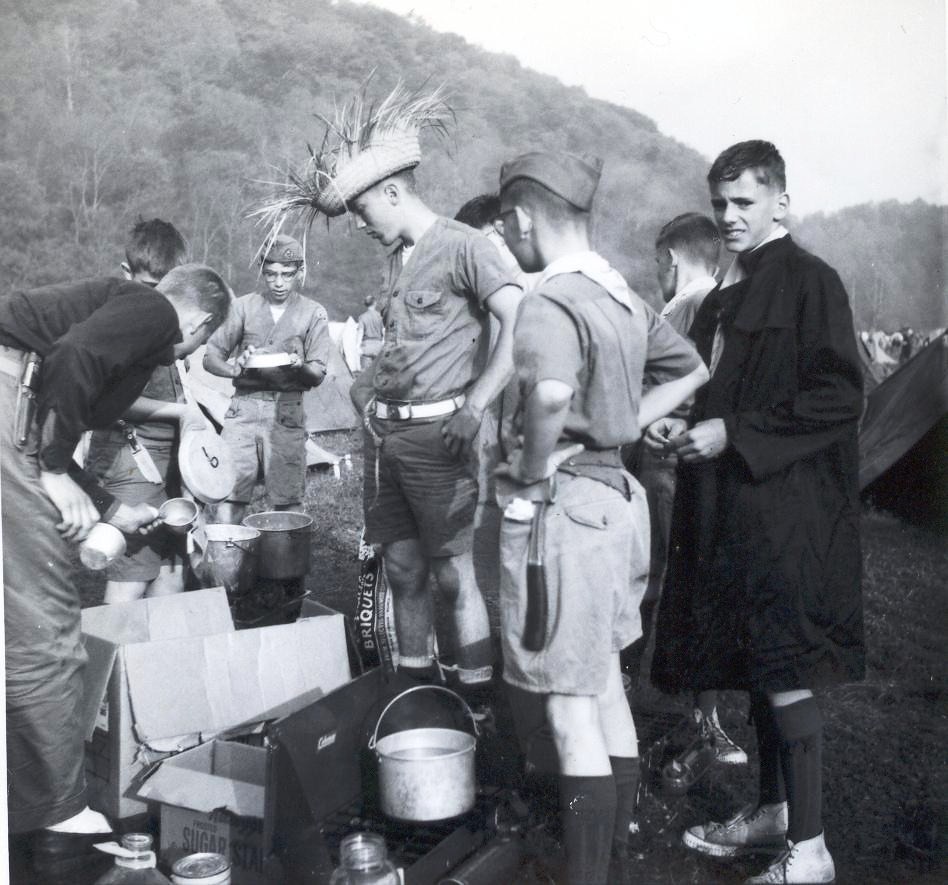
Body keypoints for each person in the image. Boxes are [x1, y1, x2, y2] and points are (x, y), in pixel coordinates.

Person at [254, 83, 524, 697]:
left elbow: (519, 320)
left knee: (452, 574)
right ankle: (417, 693)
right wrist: (362, 392)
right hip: (386, 441)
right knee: (402, 569)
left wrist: (476, 406)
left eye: (362, 210)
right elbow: (397, 344)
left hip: (441, 437)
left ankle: (476, 703)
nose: (359, 224)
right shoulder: (397, 261)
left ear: (394, 192)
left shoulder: (464, 246)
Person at [650, 140, 864, 884]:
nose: (730, 216)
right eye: (720, 203)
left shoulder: (812, 282)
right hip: (727, 510)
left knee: (784, 663)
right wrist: (682, 421)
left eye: (744, 202)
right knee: (755, 663)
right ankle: (774, 810)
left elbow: (840, 396)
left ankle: (812, 849)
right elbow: (711, 393)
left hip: (789, 511)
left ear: (781, 200)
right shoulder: (720, 298)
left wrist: (733, 433)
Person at [495, 150, 708, 885]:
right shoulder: (619, 295)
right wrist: (620, 425)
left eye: (507, 227)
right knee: (605, 686)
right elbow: (693, 369)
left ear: (523, 219)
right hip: (620, 504)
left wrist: (532, 470)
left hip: (569, 511)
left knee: (567, 708)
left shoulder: (551, 299)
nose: (508, 239)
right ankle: (615, 859)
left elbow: (551, 395)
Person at [1, 263, 230, 878]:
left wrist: (107, 506)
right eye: (200, 341)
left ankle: (23, 799)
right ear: (201, 321)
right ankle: (56, 816)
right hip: (9, 405)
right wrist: (53, 469)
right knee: (46, 629)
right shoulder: (154, 310)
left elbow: (54, 402)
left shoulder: (102, 314)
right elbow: (72, 361)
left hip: (14, 407)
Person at [625, 212, 747, 768]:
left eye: (658, 264)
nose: (657, 275)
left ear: (671, 259)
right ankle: (639, 696)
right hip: (662, 462)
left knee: (665, 580)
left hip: (670, 466)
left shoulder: (696, 305)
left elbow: (704, 387)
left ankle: (702, 719)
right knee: (660, 579)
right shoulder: (698, 304)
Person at [86, 218, 211, 603]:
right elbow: (106, 404)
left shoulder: (171, 323)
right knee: (131, 576)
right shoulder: (117, 323)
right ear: (127, 273)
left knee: (171, 576)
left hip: (171, 459)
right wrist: (179, 413)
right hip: (130, 458)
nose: (160, 302)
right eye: (152, 287)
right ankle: (113, 645)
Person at [203, 234, 330, 525]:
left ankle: (283, 556)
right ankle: (227, 554)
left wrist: (299, 365)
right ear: (262, 272)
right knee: (230, 495)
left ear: (300, 272)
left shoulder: (313, 313)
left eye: (287, 274)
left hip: (286, 412)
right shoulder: (243, 307)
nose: (279, 283)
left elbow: (317, 373)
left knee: (287, 501)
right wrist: (234, 369)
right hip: (243, 411)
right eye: (271, 274)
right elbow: (210, 357)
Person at [357, 292, 385, 370]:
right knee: (377, 372)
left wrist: (357, 347)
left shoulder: (362, 317)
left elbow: (360, 332)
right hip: (378, 346)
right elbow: (384, 331)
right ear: (375, 303)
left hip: (366, 346)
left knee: (364, 372)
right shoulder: (380, 317)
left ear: (365, 304)